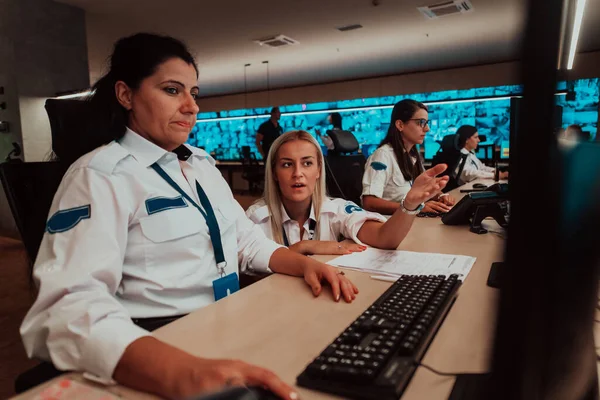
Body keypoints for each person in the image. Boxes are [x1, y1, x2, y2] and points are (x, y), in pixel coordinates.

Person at [20, 33, 359, 400]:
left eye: (193, 93)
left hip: (229, 321)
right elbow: (67, 308)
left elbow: (244, 240)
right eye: (172, 90)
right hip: (163, 342)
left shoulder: (200, 165)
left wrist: (302, 264)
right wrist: (184, 373)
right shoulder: (100, 176)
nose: (191, 106)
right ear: (126, 95)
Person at [246, 130, 450, 255]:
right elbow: (241, 280)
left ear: (318, 170)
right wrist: (302, 248)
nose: (297, 173)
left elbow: (385, 238)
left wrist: (409, 205)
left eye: (307, 163)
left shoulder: (336, 209)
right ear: (274, 172)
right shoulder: (255, 219)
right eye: (287, 164)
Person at [361, 99, 456, 215]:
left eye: (427, 123)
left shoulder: (413, 156)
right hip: (391, 224)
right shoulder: (382, 156)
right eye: (421, 122)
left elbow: (426, 187)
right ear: (400, 125)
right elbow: (369, 202)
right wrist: (414, 208)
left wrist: (441, 195)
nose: (427, 129)